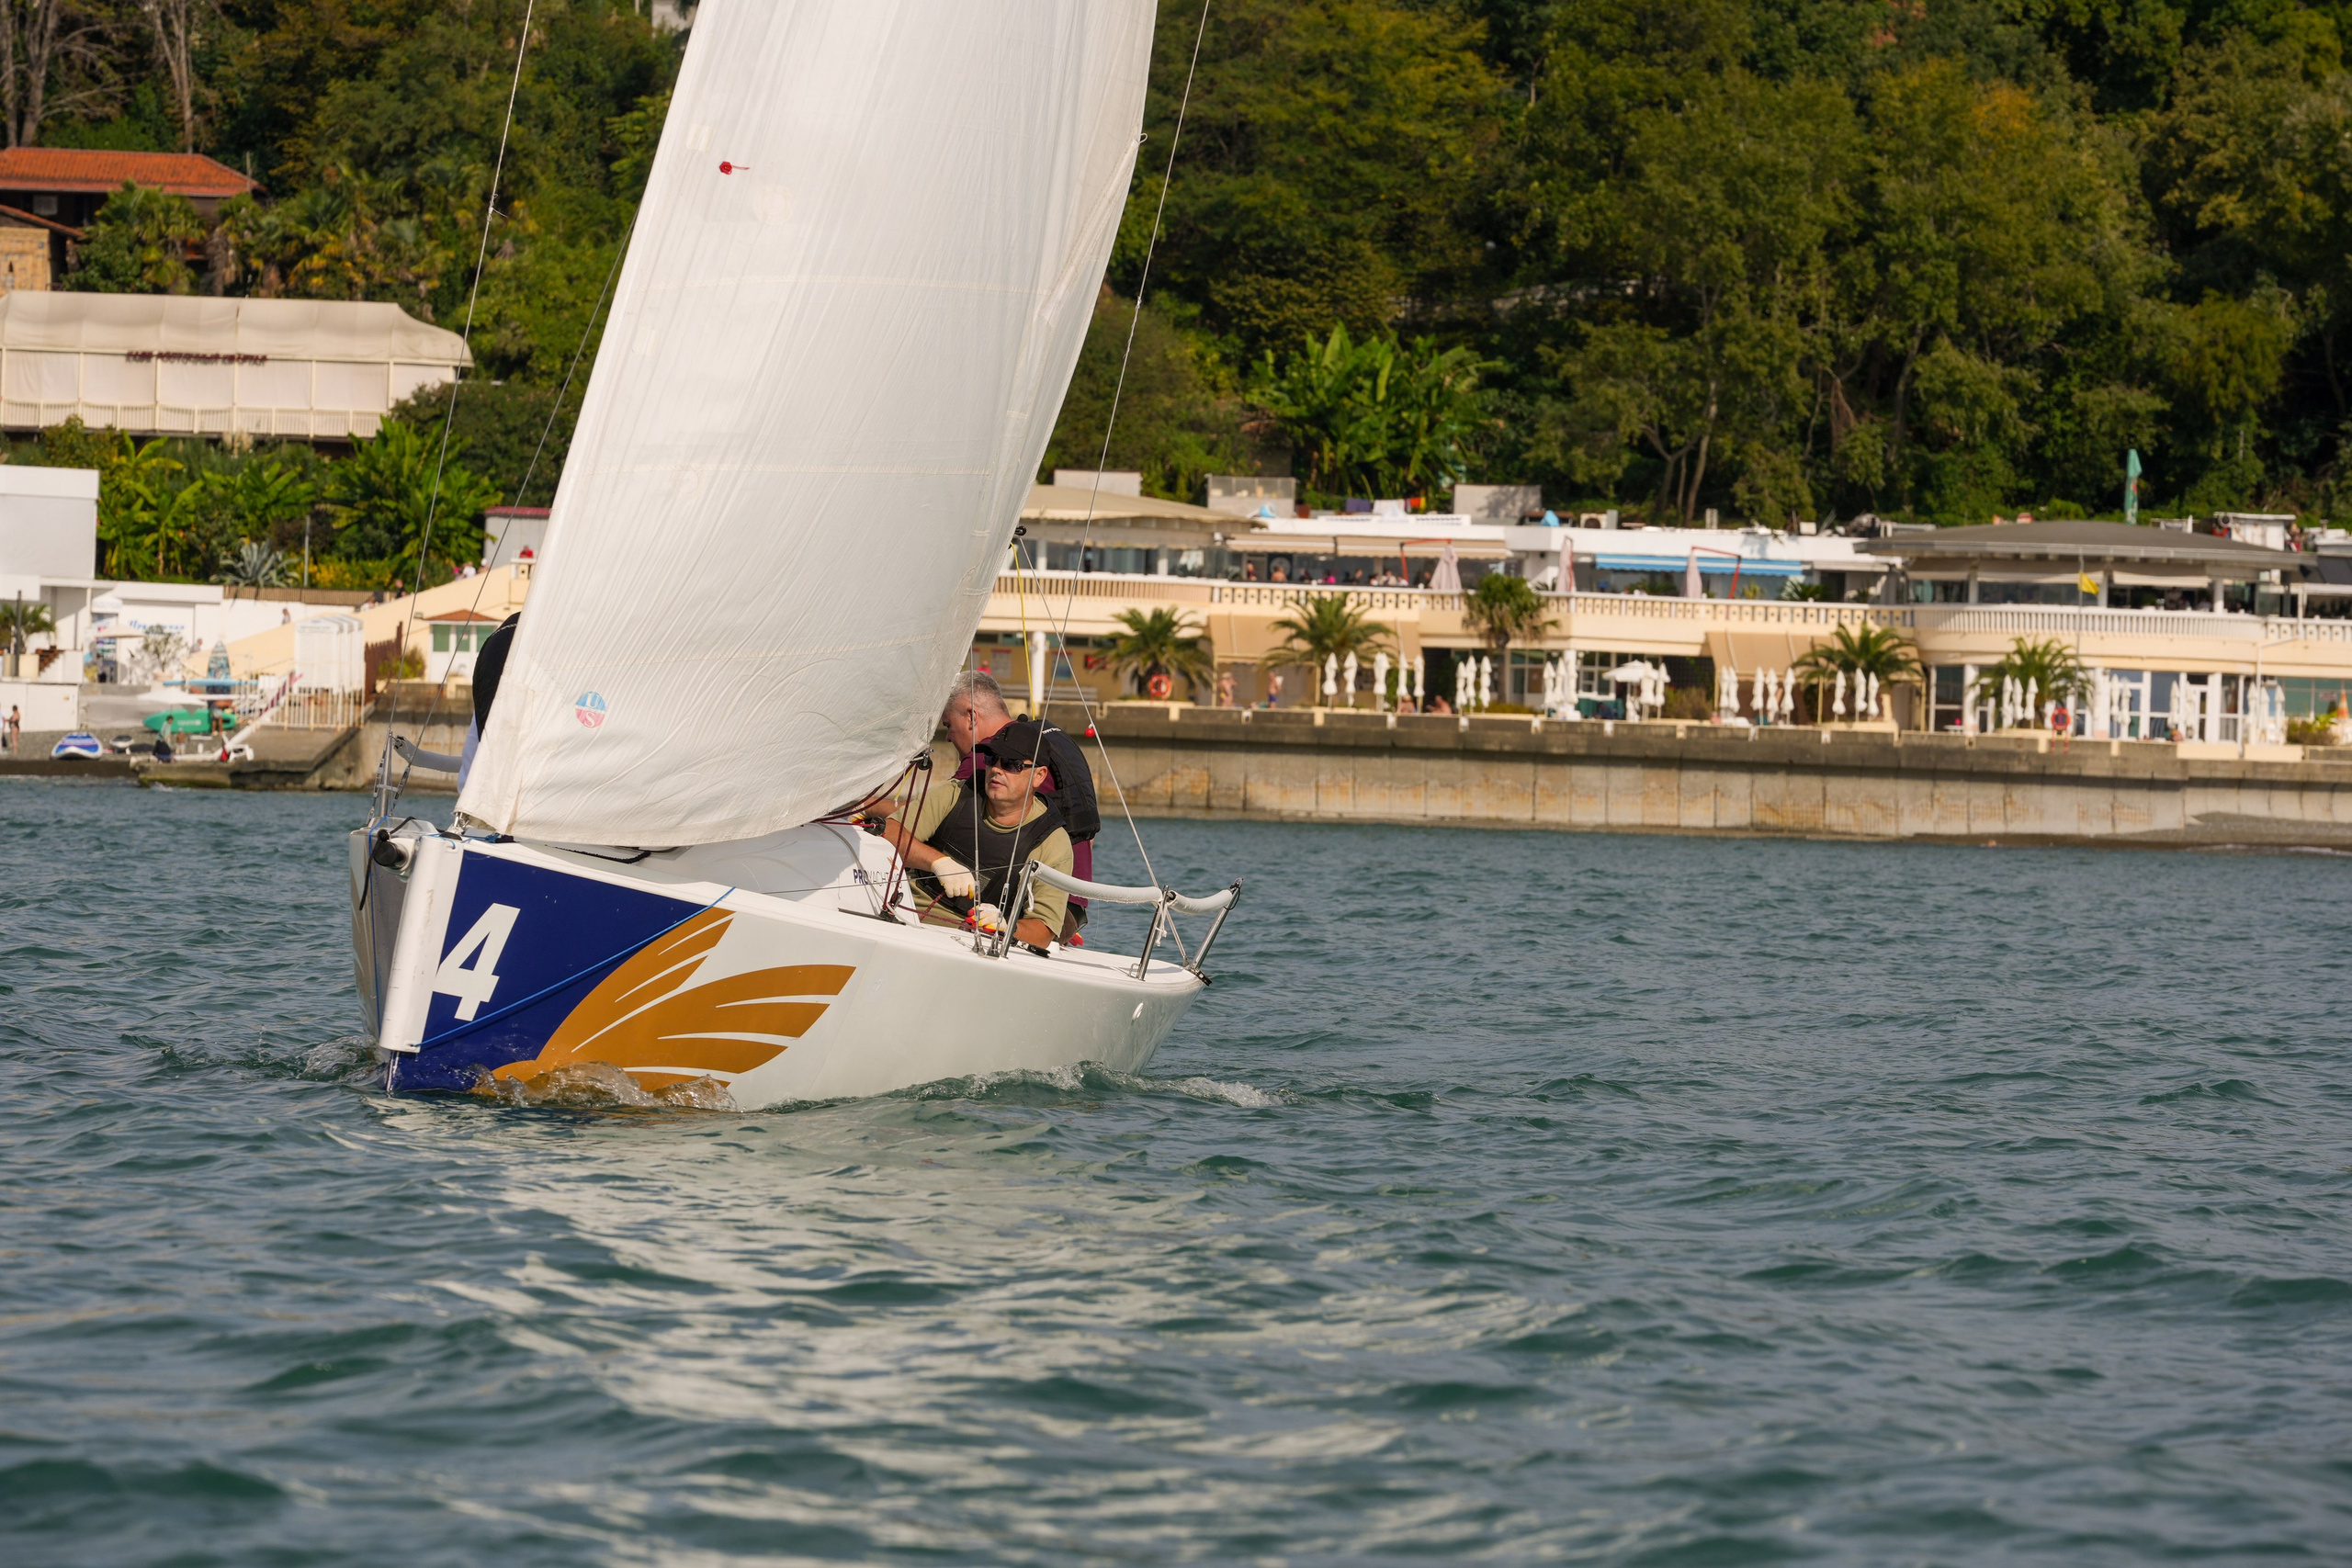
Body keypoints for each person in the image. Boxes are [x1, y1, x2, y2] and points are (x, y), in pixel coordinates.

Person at [880, 719, 1072, 952]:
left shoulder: (1053, 842)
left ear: (1039, 776)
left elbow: (1043, 932)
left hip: (972, 946)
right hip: (901, 920)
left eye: (1011, 764)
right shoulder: (956, 794)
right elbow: (890, 831)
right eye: (992, 759)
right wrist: (938, 862)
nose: (997, 770)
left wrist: (1005, 926)